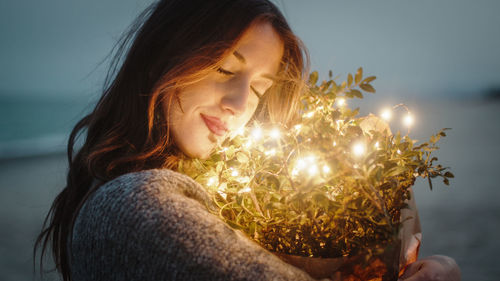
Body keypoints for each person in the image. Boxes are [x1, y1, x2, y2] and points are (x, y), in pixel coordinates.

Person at [34, 0, 461, 280]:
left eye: (259, 88)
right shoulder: (135, 205)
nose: (240, 103)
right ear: (163, 57)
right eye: (224, 69)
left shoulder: (226, 196)